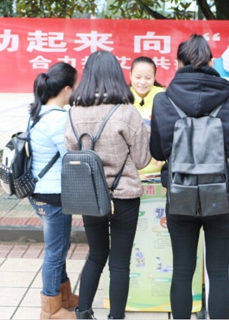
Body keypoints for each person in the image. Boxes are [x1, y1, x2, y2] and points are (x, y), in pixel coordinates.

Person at [149, 34, 229, 319]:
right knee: (218, 272)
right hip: (222, 195)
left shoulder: (163, 100)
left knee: (182, 271)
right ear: (212, 63)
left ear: (178, 64)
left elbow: (157, 150)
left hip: (180, 193)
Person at [65, 51, 151, 320]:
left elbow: (72, 155)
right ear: (117, 75)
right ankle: (115, 316)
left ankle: (83, 312)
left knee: (95, 254)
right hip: (124, 196)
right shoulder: (127, 112)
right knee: (120, 261)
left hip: (91, 197)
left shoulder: (73, 113)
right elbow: (142, 160)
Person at [28, 62, 79, 319]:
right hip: (52, 194)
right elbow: (71, 157)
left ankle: (64, 296)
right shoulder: (58, 119)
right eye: (76, 86)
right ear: (67, 89)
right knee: (55, 251)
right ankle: (51, 308)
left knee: (59, 246)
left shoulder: (38, 112)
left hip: (38, 190)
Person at [129, 56, 165, 179]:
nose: (142, 82)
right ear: (130, 75)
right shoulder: (122, 98)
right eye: (138, 77)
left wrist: (165, 152)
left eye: (148, 78)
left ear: (155, 77)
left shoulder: (164, 97)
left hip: (158, 170)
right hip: (130, 171)